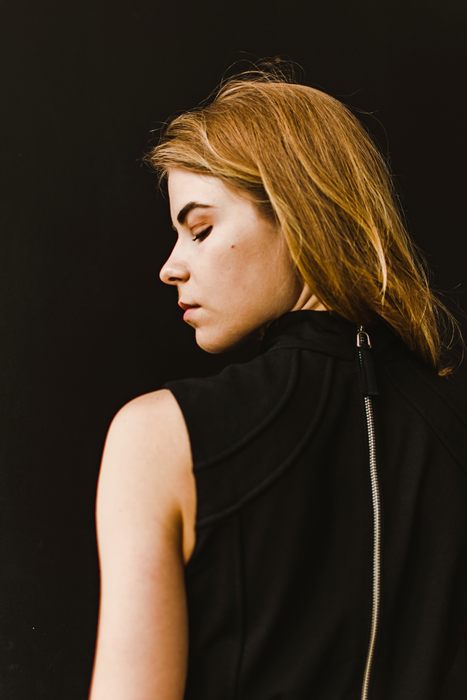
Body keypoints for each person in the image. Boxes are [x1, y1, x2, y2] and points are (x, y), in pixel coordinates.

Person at [88, 60, 467, 700]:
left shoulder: (157, 440)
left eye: (200, 229)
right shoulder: (450, 427)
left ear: (300, 215)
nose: (171, 267)